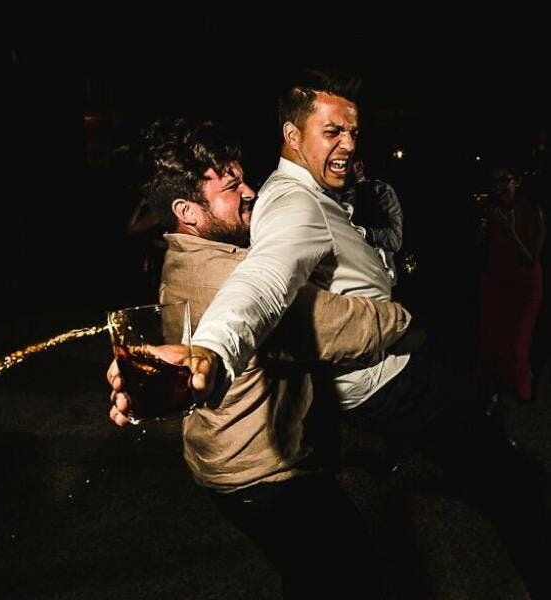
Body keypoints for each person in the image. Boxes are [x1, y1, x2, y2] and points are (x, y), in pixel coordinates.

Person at [109, 70, 551, 597]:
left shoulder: (202, 244)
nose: (347, 143)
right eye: (331, 131)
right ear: (293, 136)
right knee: (375, 563)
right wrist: (211, 348)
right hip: (269, 469)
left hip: (254, 462)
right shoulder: (282, 213)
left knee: (320, 575)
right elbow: (268, 285)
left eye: (353, 131)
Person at [108, 118, 414, 598]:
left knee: (307, 578)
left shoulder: (180, 254)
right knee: (357, 579)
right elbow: (338, 326)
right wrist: (404, 317)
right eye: (232, 187)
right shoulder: (228, 275)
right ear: (187, 210)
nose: (251, 190)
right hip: (269, 475)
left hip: (224, 466)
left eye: (243, 177)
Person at [477, 164, 545, 409]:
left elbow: (530, 258)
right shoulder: (490, 211)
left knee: (519, 341)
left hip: (525, 286)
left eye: (504, 180)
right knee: (493, 339)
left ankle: (523, 387)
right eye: (495, 181)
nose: (499, 187)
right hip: (496, 282)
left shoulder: (531, 211)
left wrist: (507, 230)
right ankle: (493, 389)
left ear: (516, 182)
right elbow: (483, 250)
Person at [339, 157, 403, 286]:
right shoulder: (331, 196)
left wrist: (357, 232)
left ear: (359, 166)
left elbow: (394, 240)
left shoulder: (380, 190)